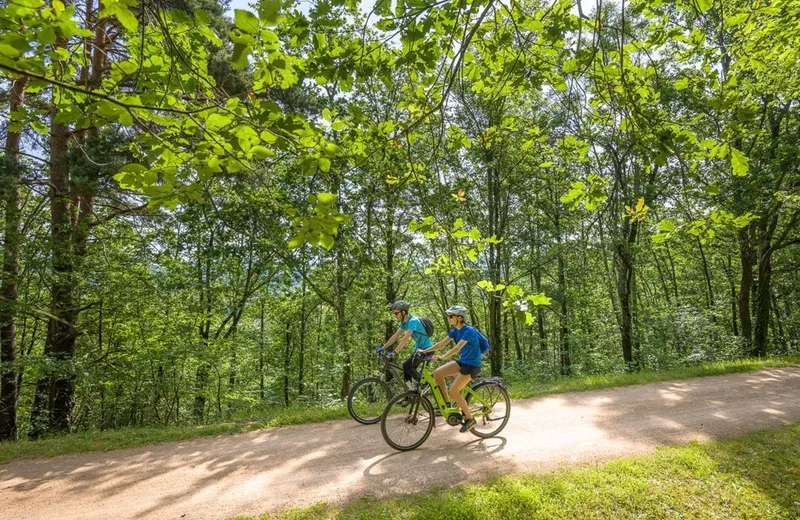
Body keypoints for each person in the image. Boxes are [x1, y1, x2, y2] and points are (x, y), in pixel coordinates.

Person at [421, 305, 481, 433]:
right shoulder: (455, 330)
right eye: (449, 316)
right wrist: (424, 351)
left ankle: (470, 419)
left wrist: (442, 357)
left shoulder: (468, 331)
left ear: (459, 318)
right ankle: (446, 404)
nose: (449, 318)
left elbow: (457, 348)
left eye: (451, 316)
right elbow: (441, 344)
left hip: (472, 365)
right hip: (463, 362)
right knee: (437, 373)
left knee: (453, 391)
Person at [381, 301, 433, 389]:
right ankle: (409, 395)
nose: (395, 315)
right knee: (406, 367)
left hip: (427, 350)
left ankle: (425, 385)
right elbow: (395, 336)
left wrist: (394, 352)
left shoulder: (413, 321)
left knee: (407, 366)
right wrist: (383, 348)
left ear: (403, 312)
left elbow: (405, 338)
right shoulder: (404, 323)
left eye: (396, 313)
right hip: (419, 350)